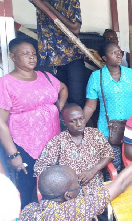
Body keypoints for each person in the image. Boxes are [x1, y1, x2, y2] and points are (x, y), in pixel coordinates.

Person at [20, 137, 132, 220]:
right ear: (68, 195)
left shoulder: (28, 210)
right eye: (77, 184)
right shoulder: (71, 211)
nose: (79, 185)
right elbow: (120, 183)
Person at [0, 38, 68, 208]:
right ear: (13, 57)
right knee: (27, 188)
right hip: (24, 145)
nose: (31, 57)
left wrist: (58, 108)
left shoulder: (46, 77)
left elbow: (64, 88)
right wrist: (13, 155)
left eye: (33, 54)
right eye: (25, 54)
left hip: (53, 141)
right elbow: (1, 121)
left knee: (54, 185)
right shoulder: (6, 83)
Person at [84, 41, 132, 175]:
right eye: (113, 53)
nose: (119, 56)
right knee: (112, 171)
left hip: (131, 130)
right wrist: (78, 127)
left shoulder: (131, 75)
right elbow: (90, 107)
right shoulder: (96, 77)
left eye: (120, 52)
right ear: (104, 58)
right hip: (106, 131)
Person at [34, 103, 114, 194]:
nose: (79, 124)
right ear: (65, 123)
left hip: (95, 189)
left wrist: (93, 171)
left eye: (81, 118)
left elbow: (109, 154)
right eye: (73, 121)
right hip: (68, 194)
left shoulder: (95, 134)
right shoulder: (58, 141)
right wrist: (66, 180)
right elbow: (40, 168)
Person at [25, 0, 86, 108]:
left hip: (72, 57)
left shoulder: (69, 0)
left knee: (76, 97)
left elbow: (75, 29)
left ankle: (76, 124)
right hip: (49, 58)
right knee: (53, 97)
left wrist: (48, 7)